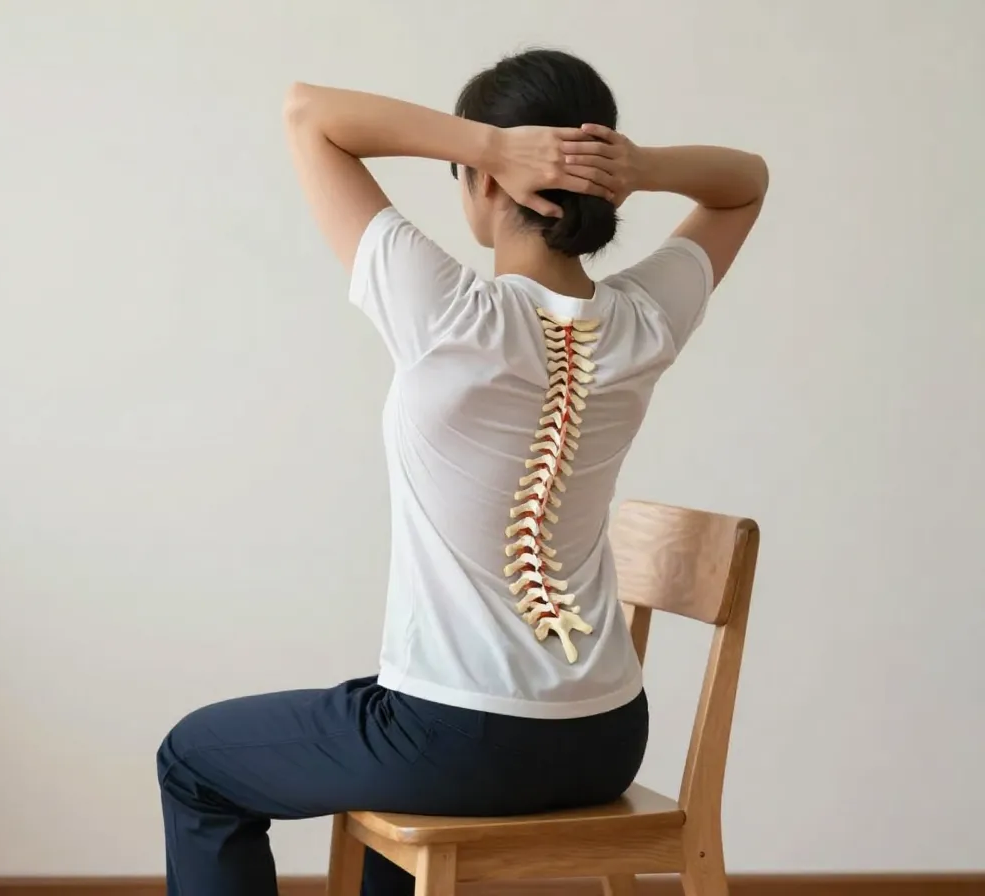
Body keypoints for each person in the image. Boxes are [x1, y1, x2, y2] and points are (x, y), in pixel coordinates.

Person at [157, 48, 768, 896]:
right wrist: (644, 166)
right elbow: (746, 181)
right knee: (374, 734)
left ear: (488, 182)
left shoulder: (447, 313)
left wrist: (487, 144)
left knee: (194, 761)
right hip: (605, 739)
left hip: (458, 744)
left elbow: (308, 113)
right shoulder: (643, 321)